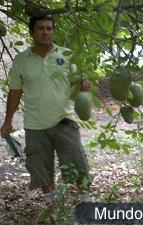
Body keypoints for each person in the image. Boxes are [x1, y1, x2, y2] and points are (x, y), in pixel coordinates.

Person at [0, 14, 92, 205]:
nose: (45, 32)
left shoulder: (66, 55)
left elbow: (76, 86)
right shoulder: (21, 60)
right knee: (40, 168)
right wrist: (8, 120)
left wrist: (83, 86)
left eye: (49, 28)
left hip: (64, 120)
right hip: (35, 124)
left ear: (53, 31)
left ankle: (86, 201)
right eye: (40, 28)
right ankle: (52, 205)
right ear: (32, 32)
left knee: (77, 162)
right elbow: (15, 92)